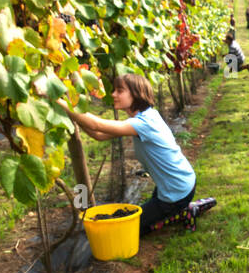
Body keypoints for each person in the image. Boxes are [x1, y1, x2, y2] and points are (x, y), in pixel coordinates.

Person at [68, 75, 196, 237]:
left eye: (119, 91)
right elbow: (98, 135)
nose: (113, 94)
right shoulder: (145, 117)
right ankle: (180, 209)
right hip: (177, 184)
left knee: (128, 232)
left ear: (136, 94)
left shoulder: (144, 123)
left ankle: (185, 211)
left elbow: (96, 124)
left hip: (177, 191)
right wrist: (73, 115)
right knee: (140, 220)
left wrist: (62, 103)